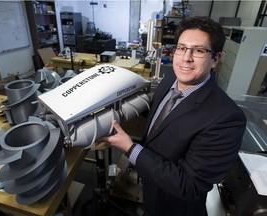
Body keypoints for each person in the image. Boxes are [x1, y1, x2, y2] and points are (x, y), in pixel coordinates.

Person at [102, 16, 246, 215]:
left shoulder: (226, 118)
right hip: (151, 193)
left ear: (215, 59)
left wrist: (130, 148)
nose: (186, 57)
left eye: (199, 50)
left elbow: (189, 185)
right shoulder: (169, 81)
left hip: (175, 208)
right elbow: (162, 120)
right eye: (181, 47)